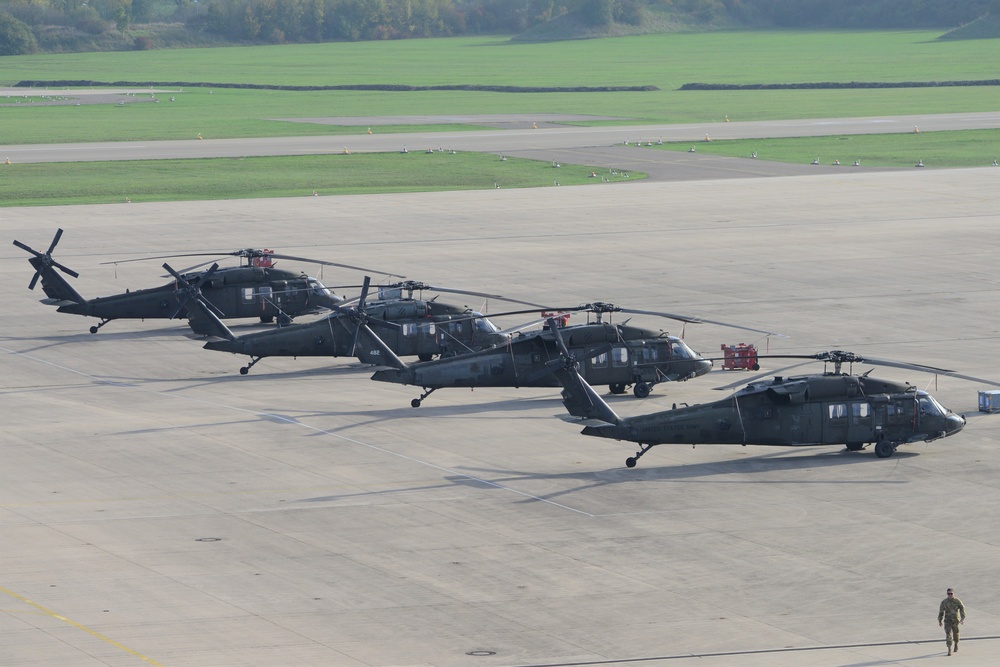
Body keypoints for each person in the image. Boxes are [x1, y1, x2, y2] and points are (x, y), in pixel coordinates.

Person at [938, 588, 966, 655]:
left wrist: (962, 618)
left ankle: (956, 644)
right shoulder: (944, 602)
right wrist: (940, 620)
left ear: (954, 593)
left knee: (956, 634)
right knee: (948, 635)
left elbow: (962, 608)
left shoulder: (957, 601)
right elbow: (941, 611)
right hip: (947, 621)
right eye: (948, 594)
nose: (950, 595)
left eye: (951, 593)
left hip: (956, 621)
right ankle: (949, 648)